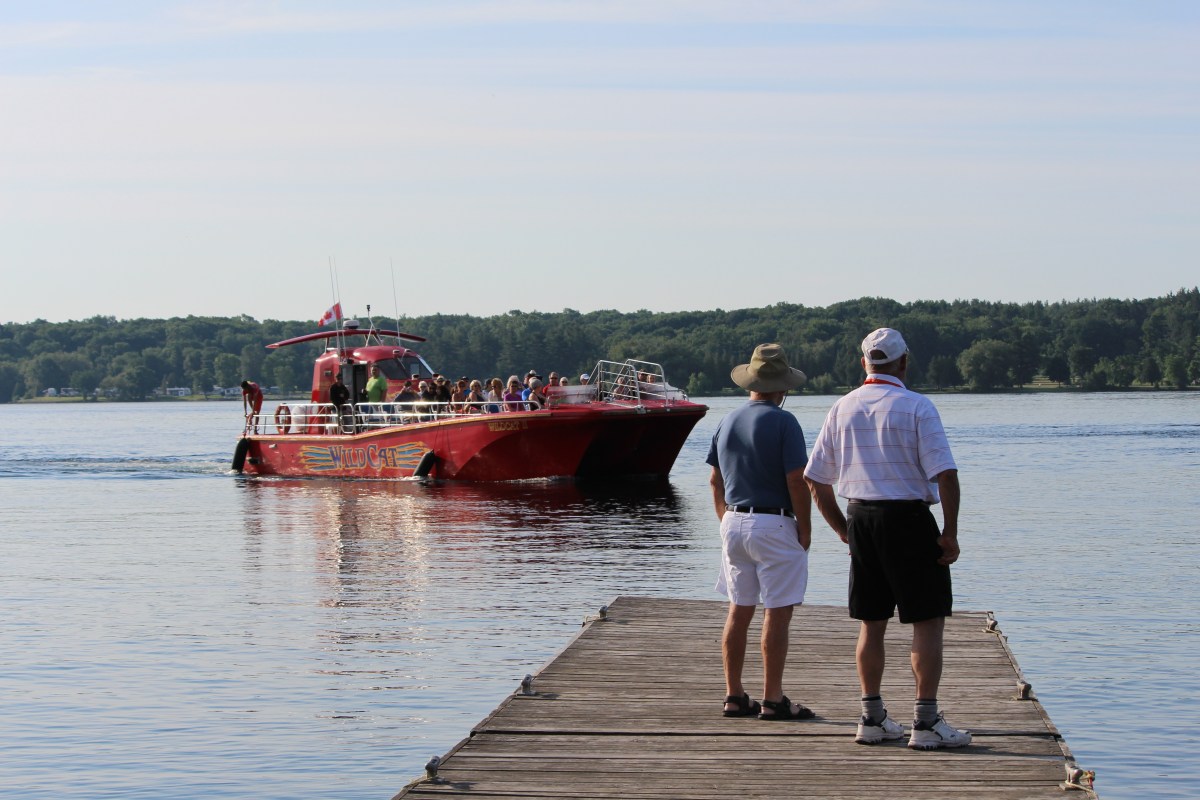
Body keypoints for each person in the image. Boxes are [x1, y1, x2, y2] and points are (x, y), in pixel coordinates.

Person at [803, 328, 970, 750]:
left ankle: (872, 718)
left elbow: (815, 479)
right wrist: (949, 533)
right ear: (904, 362)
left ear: (864, 363)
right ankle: (925, 723)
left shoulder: (841, 407)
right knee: (927, 621)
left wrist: (844, 531)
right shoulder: (917, 406)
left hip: (861, 517)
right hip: (909, 519)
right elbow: (946, 475)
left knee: (871, 622)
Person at [706, 343, 813, 721]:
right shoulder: (785, 422)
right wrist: (805, 528)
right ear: (782, 387)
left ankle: (734, 695)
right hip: (774, 523)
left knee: (738, 611)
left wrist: (724, 518)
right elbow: (797, 480)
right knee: (777, 613)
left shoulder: (727, 421)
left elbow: (715, 480)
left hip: (733, 522)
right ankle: (772, 698)